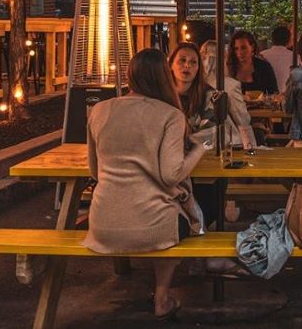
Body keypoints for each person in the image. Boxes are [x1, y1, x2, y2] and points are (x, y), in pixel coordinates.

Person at [83, 49, 208, 320]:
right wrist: (198, 150)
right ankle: (161, 297)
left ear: (131, 75)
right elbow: (171, 175)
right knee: (181, 219)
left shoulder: (99, 110)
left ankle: (129, 273)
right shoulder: (170, 115)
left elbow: (94, 170)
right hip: (153, 225)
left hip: (102, 226)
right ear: (164, 76)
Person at [172, 43, 254, 149]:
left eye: (193, 62)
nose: (187, 65)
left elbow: (210, 134)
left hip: (216, 150)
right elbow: (243, 119)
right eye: (182, 60)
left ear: (198, 67)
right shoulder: (162, 96)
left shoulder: (210, 95)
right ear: (171, 65)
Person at [226, 30, 279, 96]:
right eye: (236, 49)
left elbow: (274, 93)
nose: (240, 52)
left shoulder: (264, 67)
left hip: (260, 106)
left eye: (243, 48)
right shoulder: (228, 67)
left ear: (252, 47)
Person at [259, 25, 294, 91]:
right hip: (287, 97)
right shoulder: (295, 57)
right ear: (289, 39)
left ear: (272, 39)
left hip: (266, 96)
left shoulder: (262, 55)